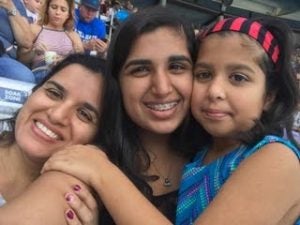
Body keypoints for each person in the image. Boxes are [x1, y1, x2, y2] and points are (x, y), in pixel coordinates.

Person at [44, 16, 300, 225]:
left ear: (269, 95)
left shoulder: (276, 158)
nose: (215, 91)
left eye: (239, 78)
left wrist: (103, 173)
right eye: (204, 74)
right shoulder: (202, 156)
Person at [42, 6, 197, 224]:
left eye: (177, 66)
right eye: (140, 69)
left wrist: (105, 175)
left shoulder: (226, 159)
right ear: (117, 82)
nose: (162, 88)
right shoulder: (87, 158)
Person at [0, 53, 107, 225]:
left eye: (84, 114)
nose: (57, 115)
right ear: (33, 92)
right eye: (54, 93)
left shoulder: (79, 200)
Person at [18, 0, 84, 84]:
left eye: (63, 10)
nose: (57, 12)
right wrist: (34, 52)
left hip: (66, 74)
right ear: (47, 9)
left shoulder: (73, 36)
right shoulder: (36, 29)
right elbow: (21, 59)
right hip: (42, 72)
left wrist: (67, 59)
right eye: (54, 7)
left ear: (68, 15)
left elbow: (80, 64)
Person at [0, 0, 35, 83]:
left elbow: (26, 42)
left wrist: (10, 8)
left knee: (25, 78)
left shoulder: (16, 4)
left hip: (2, 56)